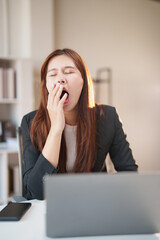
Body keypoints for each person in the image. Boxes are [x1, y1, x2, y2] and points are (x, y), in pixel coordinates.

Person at [21, 48, 138, 200]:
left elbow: (129, 174)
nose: (60, 79)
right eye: (53, 74)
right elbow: (36, 192)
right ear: (46, 86)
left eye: (69, 72)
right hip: (52, 204)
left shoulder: (108, 117)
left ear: (84, 81)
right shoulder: (31, 122)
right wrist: (56, 129)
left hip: (94, 201)